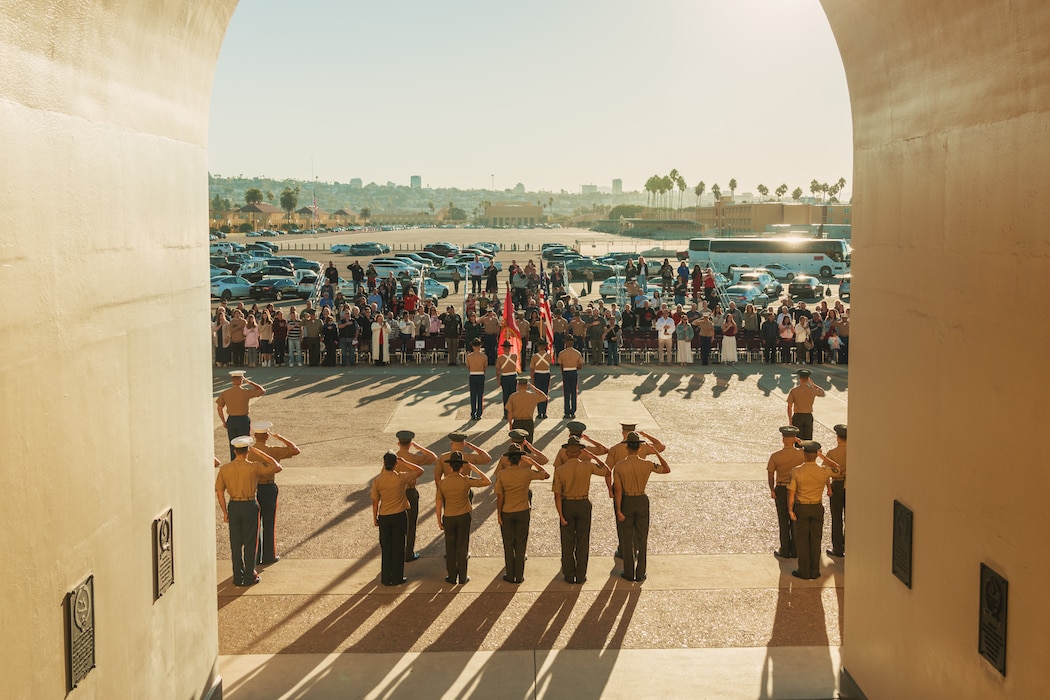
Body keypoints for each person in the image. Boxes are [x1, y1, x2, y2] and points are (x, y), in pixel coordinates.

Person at [215, 436, 282, 586]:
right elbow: (276, 466)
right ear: (247, 451)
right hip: (250, 505)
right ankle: (250, 574)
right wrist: (259, 452)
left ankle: (237, 577)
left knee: (236, 543)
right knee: (251, 542)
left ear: (234, 450)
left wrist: (225, 512)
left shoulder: (225, 469)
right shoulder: (254, 466)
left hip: (234, 506)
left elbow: (219, 492)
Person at [613, 432, 671, 582]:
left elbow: (618, 490)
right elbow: (666, 469)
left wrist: (618, 509)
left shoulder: (619, 466)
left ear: (627, 448)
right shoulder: (647, 464)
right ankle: (641, 572)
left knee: (627, 537)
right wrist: (656, 452)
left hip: (626, 500)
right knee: (642, 537)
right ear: (639, 448)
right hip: (641, 499)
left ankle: (629, 571)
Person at [552, 437, 608, 584]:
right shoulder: (587, 466)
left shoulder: (560, 470)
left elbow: (557, 496)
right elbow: (607, 471)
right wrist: (593, 456)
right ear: (579, 453)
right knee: (583, 541)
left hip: (567, 504)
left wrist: (561, 515)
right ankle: (581, 575)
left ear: (567, 453)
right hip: (583, 503)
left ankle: (569, 575)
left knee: (567, 541)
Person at [604, 423, 665, 558]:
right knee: (639, 525)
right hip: (638, 487)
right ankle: (636, 547)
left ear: (622, 433)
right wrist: (646, 436)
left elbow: (607, 471)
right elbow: (661, 446)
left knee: (622, 522)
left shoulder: (615, 449)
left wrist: (609, 489)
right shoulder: (642, 447)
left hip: (620, 488)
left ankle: (623, 549)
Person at [494, 443, 550, 584]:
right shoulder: (527, 472)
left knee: (508, 544)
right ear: (520, 459)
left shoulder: (502, 474)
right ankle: (519, 576)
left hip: (507, 510)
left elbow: (499, 497)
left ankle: (510, 574)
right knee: (520, 543)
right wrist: (533, 462)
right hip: (523, 510)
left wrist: (499, 514)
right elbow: (546, 474)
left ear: (508, 460)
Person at [787, 440, 842, 580]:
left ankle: (803, 570)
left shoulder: (796, 471)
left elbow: (791, 493)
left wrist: (790, 510)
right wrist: (823, 457)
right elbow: (838, 468)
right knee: (816, 539)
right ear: (816, 455)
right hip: (817, 507)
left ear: (804, 455)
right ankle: (814, 570)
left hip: (802, 507)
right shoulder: (823, 471)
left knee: (802, 540)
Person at [436, 451, 491, 585]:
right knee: (462, 546)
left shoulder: (442, 483)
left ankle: (452, 576)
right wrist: (475, 469)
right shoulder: (466, 480)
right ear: (461, 467)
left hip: (449, 516)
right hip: (464, 516)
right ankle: (462, 576)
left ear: (450, 468)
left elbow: (438, 503)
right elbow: (487, 481)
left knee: (450, 547)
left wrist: (439, 520)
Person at [250, 422, 300, 566]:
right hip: (268, 488)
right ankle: (268, 556)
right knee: (269, 523)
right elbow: (295, 450)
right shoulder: (273, 451)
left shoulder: (250, 451)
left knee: (255, 524)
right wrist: (280, 437)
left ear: (255, 436)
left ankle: (255, 555)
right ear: (266, 436)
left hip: (253, 489)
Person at [371, 451, 424, 586]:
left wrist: (375, 517)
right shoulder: (401, 478)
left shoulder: (377, 481)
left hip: (384, 516)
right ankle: (397, 577)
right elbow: (419, 470)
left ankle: (385, 577)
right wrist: (404, 462)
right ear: (395, 464)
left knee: (386, 547)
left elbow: (375, 502)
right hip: (399, 515)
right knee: (399, 547)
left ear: (384, 463)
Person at [392, 430, 438, 563]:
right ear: (410, 443)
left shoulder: (393, 458)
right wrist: (419, 447)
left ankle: (397, 551)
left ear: (398, 443)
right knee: (411, 523)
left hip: (397, 492)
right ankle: (408, 553)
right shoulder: (413, 458)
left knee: (398, 523)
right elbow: (433, 457)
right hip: (410, 492)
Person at [767, 426, 805, 560]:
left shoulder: (776, 456)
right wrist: (801, 443)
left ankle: (785, 549)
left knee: (783, 520)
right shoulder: (802, 454)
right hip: (797, 489)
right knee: (795, 519)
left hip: (782, 488)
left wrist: (772, 489)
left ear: (783, 440)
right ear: (794, 439)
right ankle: (795, 550)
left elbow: (771, 475)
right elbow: (817, 452)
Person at [216, 370, 265, 460]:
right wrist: (250, 382)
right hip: (243, 420)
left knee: (233, 443)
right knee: (244, 443)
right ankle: (244, 461)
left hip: (231, 420)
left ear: (232, 380)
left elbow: (219, 408)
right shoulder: (245, 392)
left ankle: (233, 462)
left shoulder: (225, 393)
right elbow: (262, 390)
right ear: (241, 380)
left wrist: (224, 421)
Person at [825, 424, 848, 559]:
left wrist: (828, 488)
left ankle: (838, 548)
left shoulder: (832, 453)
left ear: (838, 438)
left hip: (837, 485)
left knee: (837, 518)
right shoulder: (854, 452)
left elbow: (825, 473)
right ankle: (849, 545)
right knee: (849, 518)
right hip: (851, 486)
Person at [504, 375, 548, 443]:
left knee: (517, 444)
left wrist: (510, 424)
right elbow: (545, 397)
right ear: (527, 385)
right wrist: (533, 388)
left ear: (518, 385)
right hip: (528, 422)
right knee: (528, 444)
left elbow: (509, 412)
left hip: (517, 422)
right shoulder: (532, 396)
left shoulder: (513, 396)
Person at [786, 368, 826, 439]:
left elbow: (789, 407)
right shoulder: (812, 390)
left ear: (799, 379)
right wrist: (813, 384)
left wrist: (790, 420)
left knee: (798, 439)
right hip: (808, 416)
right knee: (808, 439)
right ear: (808, 379)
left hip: (797, 416)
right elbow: (822, 392)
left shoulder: (794, 391)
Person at [557, 335, 583, 419]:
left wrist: (563, 371)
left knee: (566, 393)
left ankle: (567, 412)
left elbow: (560, 365)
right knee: (574, 392)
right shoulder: (577, 353)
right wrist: (575, 368)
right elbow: (580, 365)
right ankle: (573, 411)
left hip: (566, 371)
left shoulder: (562, 353)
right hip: (574, 371)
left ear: (566, 343)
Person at [465, 338, 488, 420]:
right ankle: (479, 413)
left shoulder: (469, 356)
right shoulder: (484, 356)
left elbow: (468, 366)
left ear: (473, 346)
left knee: (473, 395)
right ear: (480, 346)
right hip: (481, 374)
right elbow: (485, 367)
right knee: (480, 395)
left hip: (473, 375)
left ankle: (473, 412)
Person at [529, 338, 553, 419]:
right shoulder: (549, 356)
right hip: (546, 374)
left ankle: (540, 413)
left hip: (538, 375)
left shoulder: (534, 357)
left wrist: (532, 379)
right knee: (545, 393)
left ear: (538, 347)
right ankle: (544, 412)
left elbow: (532, 369)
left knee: (538, 394)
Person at [495, 340, 519, 416]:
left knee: (506, 396)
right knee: (513, 396)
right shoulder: (515, 356)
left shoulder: (500, 359)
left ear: (503, 348)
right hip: (513, 377)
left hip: (505, 377)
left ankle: (506, 413)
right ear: (509, 348)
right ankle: (513, 412)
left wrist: (498, 380)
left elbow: (498, 370)